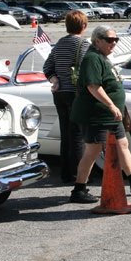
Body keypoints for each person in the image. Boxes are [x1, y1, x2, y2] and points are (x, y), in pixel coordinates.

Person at [69, 26, 131, 203]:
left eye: (116, 40)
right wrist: (112, 105)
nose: (113, 43)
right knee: (93, 150)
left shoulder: (103, 58)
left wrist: (118, 107)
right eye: (109, 40)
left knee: (122, 144)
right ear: (97, 41)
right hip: (96, 114)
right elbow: (93, 86)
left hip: (111, 115)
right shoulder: (92, 58)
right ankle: (79, 189)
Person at [43, 11, 90, 183]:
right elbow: (89, 67)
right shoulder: (83, 44)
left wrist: (55, 80)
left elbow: (47, 66)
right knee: (78, 135)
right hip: (76, 93)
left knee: (66, 134)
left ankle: (65, 173)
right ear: (83, 26)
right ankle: (78, 175)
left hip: (60, 93)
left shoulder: (60, 43)